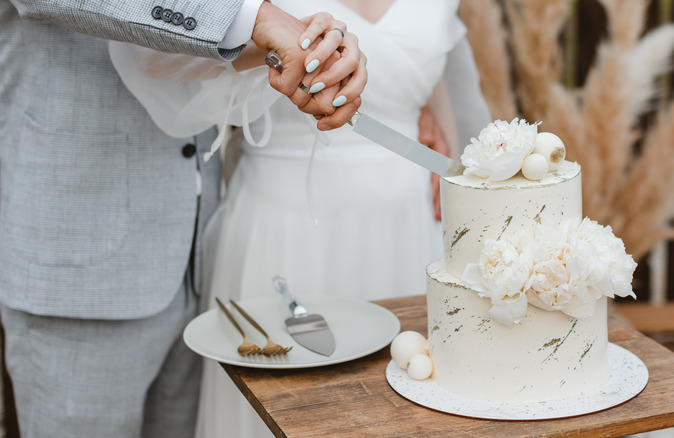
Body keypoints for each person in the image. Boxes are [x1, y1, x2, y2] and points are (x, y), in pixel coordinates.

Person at [111, 0, 491, 436]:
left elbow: (431, 65)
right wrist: (272, 42)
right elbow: (158, 56)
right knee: (289, 401)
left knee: (410, 400)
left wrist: (442, 142)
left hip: (411, 225)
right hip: (287, 223)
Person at [0, 0, 368, 435]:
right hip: (80, 264)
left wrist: (307, 49)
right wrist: (256, 18)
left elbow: (176, 61)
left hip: (195, 261)